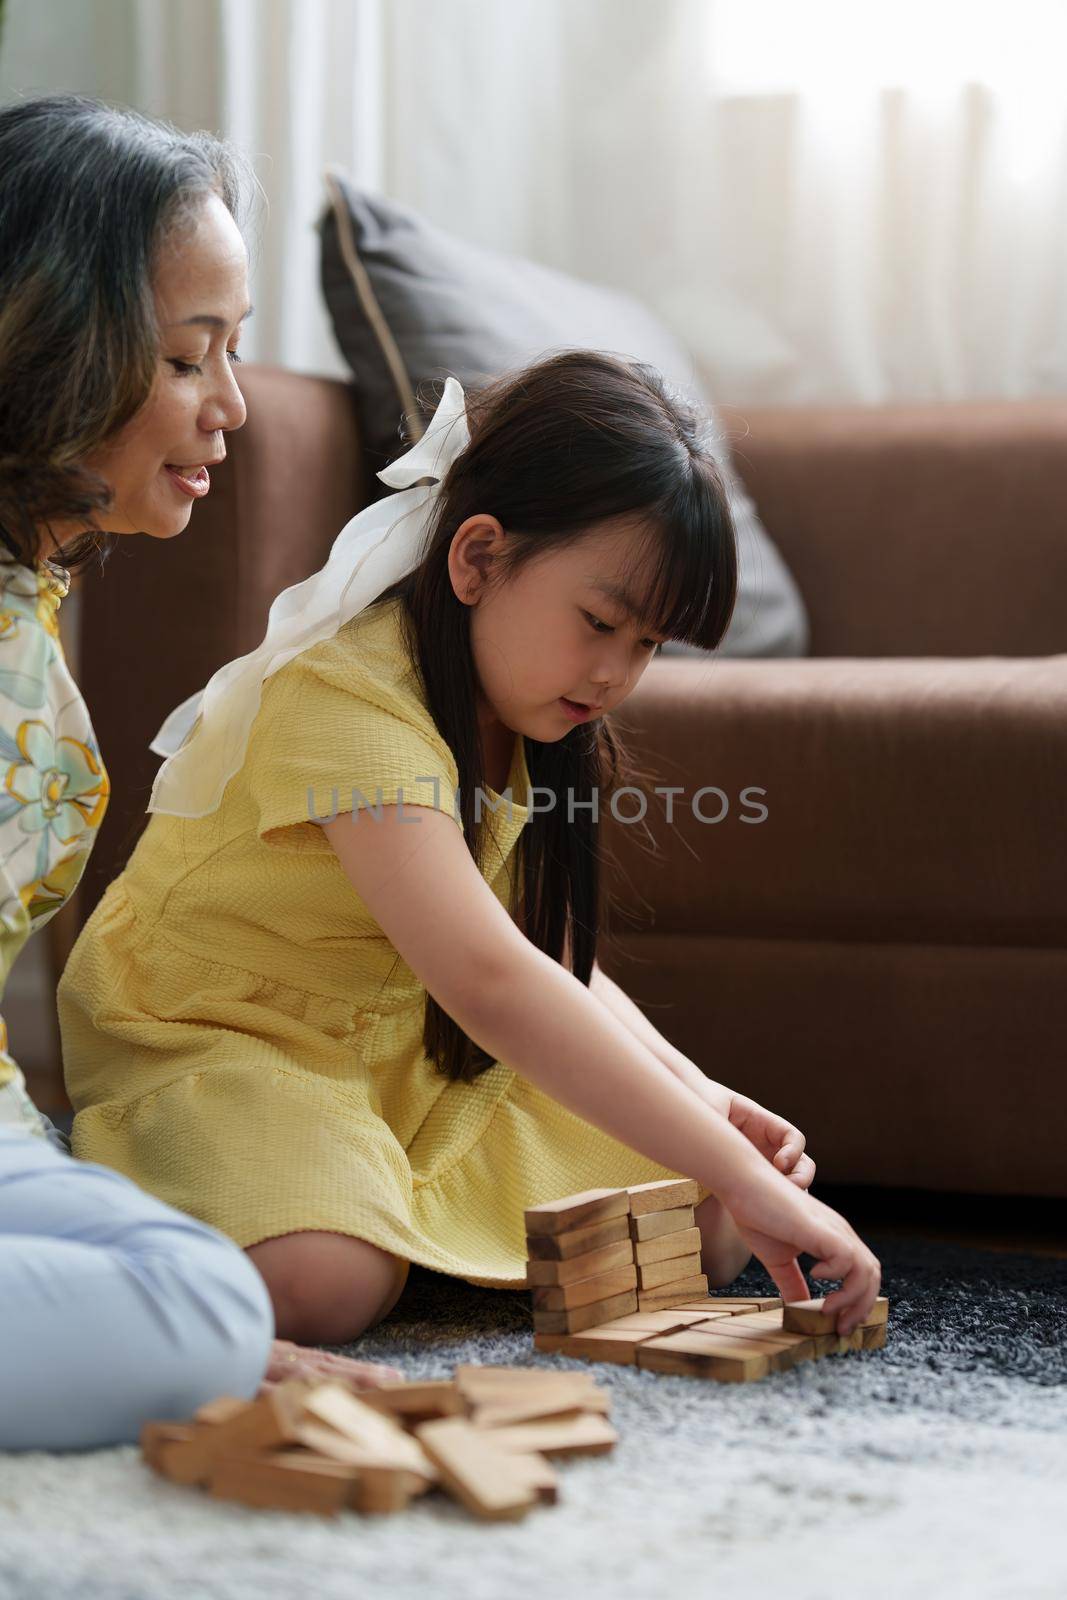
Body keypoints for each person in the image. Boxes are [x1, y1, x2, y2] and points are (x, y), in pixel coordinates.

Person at [59, 343, 882, 1348]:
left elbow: (550, 964)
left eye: (646, 644)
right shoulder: (344, 697)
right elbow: (490, 979)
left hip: (403, 1051)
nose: (615, 672)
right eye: (598, 621)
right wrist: (740, 1170)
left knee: (698, 1224)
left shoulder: (534, 718)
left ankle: (380, 1196)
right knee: (325, 1280)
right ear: (479, 557)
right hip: (234, 1039)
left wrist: (703, 1108)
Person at [0, 94, 399, 1452]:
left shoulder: (27, 596)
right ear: (57, 345)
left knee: (207, 1293)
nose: (231, 405)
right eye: (190, 357)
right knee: (196, 1313)